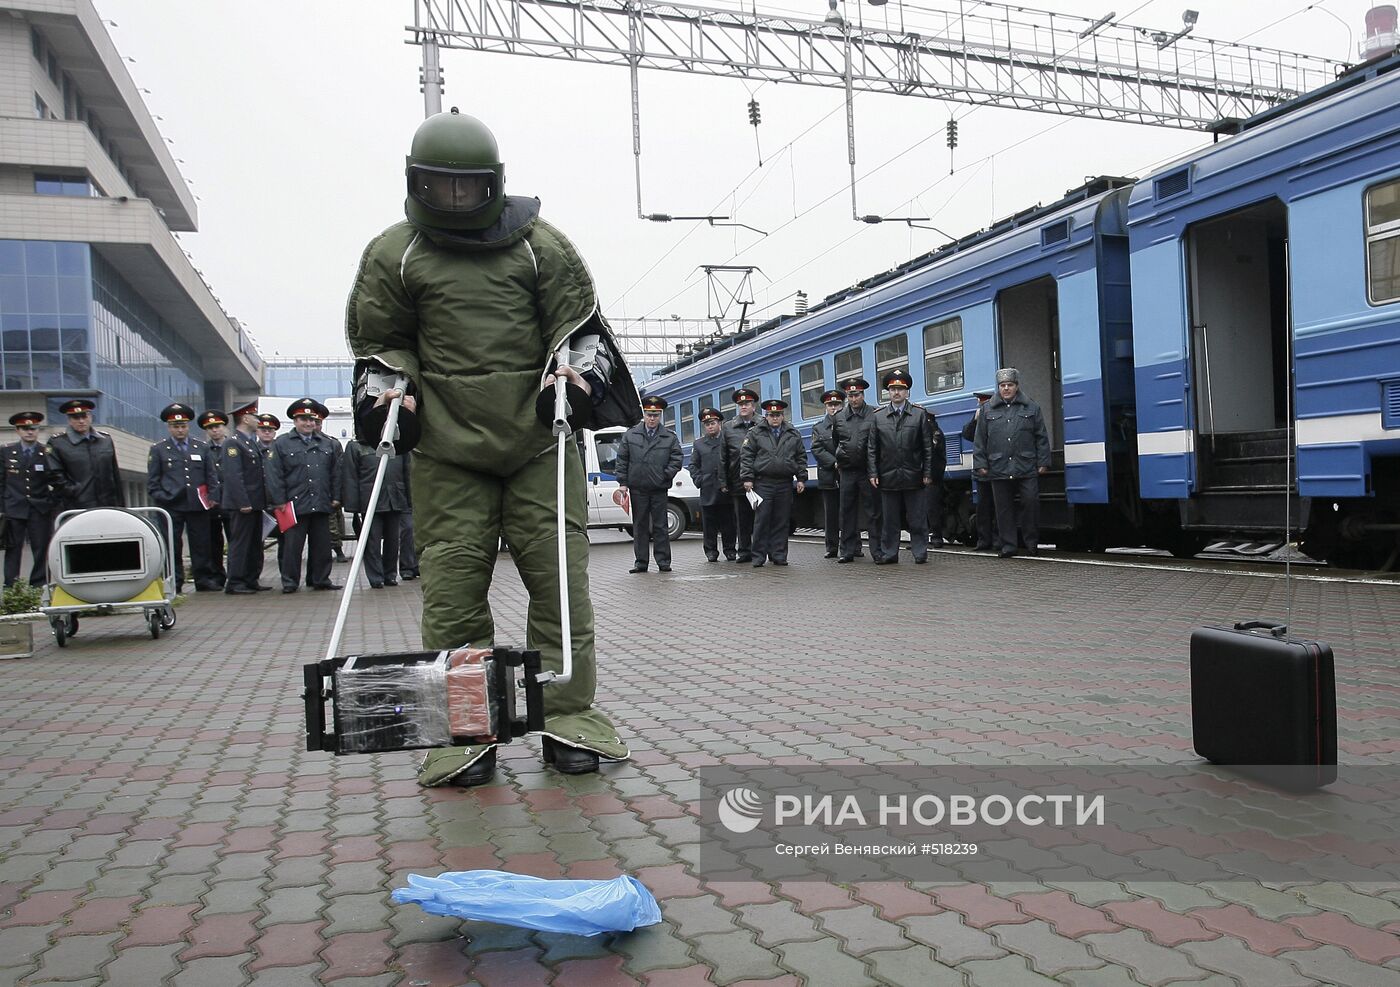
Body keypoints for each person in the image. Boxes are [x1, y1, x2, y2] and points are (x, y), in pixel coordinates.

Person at [345, 107, 640, 787]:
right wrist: (389, 388)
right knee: (451, 590)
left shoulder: (542, 246)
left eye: (466, 187)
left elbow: (578, 326)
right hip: (448, 449)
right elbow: (382, 339)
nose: (453, 199)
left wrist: (569, 375)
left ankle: (566, 714)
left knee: (558, 583)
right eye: (439, 186)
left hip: (540, 440)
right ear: (417, 183)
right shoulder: (395, 253)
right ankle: (466, 728)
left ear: (493, 184)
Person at [266, 399, 344, 593]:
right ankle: (290, 582)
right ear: (295, 420)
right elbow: (274, 474)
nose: (308, 423)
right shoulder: (282, 443)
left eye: (311, 419)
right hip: (292, 505)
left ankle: (320, 579)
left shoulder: (327, 443)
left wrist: (336, 497)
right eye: (303, 419)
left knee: (322, 547)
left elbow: (336, 473)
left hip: (320, 502)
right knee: (292, 547)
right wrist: (279, 501)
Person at [974, 367, 1051, 558]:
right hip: (998, 465)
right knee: (1003, 509)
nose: (1006, 388)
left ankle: (1031, 543)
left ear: (1017, 386)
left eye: (1010, 385)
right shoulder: (987, 410)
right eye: (1002, 385)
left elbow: (1041, 436)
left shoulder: (1031, 407)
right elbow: (980, 440)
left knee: (1031, 503)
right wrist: (981, 464)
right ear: (998, 388)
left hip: (1026, 465)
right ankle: (1008, 545)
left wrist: (1043, 461)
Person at [146, 403, 222, 592]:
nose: (180, 430)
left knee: (201, 544)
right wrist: (162, 496)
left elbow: (211, 475)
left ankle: (203, 579)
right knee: (172, 544)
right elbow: (153, 480)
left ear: (188, 426)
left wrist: (213, 496)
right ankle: (174, 581)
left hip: (197, 504)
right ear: (169, 427)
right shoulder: (159, 449)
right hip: (171, 505)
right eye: (175, 426)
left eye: (183, 426)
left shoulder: (201, 447)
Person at [868, 370, 934, 564]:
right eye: (893, 389)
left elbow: (927, 447)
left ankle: (920, 552)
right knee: (890, 520)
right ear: (888, 392)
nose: (896, 392)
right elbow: (872, 448)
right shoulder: (878, 417)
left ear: (907, 392)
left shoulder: (919, 414)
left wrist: (927, 472)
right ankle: (890, 553)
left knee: (917, 519)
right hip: (888, 476)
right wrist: (873, 472)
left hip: (914, 475)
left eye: (900, 389)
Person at [616, 395, 682, 574]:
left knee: (661, 526)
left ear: (660, 416)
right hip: (638, 488)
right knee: (640, 526)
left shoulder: (669, 437)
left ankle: (663, 561)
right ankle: (641, 562)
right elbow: (622, 460)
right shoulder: (631, 435)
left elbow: (677, 459)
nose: (652, 418)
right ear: (643, 414)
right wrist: (623, 483)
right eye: (649, 414)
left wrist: (665, 475)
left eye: (656, 415)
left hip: (659, 488)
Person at [740, 398, 807, 567]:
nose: (775, 418)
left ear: (783, 416)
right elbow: (747, 456)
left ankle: (778, 555)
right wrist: (747, 478)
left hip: (784, 483)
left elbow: (800, 457)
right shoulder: (755, 433)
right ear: (766, 416)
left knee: (781, 520)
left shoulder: (793, 433)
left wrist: (801, 478)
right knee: (762, 520)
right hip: (764, 483)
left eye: (778, 415)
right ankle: (758, 556)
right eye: (771, 415)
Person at [341, 437, 410, 588]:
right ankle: (376, 577)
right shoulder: (357, 446)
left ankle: (390, 575)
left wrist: (409, 500)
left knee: (393, 540)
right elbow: (351, 476)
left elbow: (407, 472)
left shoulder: (398, 444)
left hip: (395, 498)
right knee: (372, 542)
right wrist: (353, 506)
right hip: (370, 500)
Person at [220, 406, 271, 593]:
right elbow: (234, 476)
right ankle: (235, 582)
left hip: (256, 503)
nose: (259, 420)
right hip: (243, 504)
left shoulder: (250, 442)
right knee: (241, 544)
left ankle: (251, 579)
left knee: (254, 544)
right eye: (255, 417)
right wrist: (243, 502)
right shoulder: (233, 443)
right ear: (245, 419)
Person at [1, 411, 54, 587]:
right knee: (13, 550)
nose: (29, 432)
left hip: (39, 509)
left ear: (38, 429)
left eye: (33, 428)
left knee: (41, 550)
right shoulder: (6, 451)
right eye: (25, 428)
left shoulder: (46, 452)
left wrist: (51, 502)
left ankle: (38, 586)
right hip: (14, 509)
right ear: (17, 430)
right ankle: (11, 587)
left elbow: (55, 480)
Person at [833, 378, 882, 563]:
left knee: (873, 512)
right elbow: (835, 441)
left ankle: (877, 551)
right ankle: (847, 550)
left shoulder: (874, 414)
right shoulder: (839, 417)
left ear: (863, 395)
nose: (854, 399)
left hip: (867, 471)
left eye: (857, 395)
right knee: (846, 512)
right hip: (847, 471)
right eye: (851, 395)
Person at [47, 399, 123, 511]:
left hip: (107, 504)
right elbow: (54, 475)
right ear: (69, 420)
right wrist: (74, 491)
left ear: (90, 417)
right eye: (76, 418)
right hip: (76, 506)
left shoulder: (105, 440)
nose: (81, 421)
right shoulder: (57, 443)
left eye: (84, 416)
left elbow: (114, 474)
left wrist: (120, 505)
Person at [687, 406, 735, 562]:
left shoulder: (727, 440)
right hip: (707, 488)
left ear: (719, 423)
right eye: (707, 424)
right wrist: (699, 480)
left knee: (728, 522)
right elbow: (693, 465)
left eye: (713, 422)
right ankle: (711, 551)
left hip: (725, 488)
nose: (710, 426)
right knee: (709, 525)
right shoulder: (699, 444)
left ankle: (730, 550)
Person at [722, 388, 762, 563]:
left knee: (761, 518)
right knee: (742, 519)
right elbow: (723, 456)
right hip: (738, 479)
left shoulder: (763, 424)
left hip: (761, 478)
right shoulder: (728, 428)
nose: (743, 407)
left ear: (753, 406)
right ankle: (744, 551)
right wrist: (723, 481)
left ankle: (761, 550)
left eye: (746, 404)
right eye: (741, 404)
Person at [312, 403, 352, 564]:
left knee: (333, 525)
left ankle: (338, 549)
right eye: (312, 422)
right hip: (308, 494)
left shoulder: (332, 443)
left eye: (318, 422)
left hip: (328, 492)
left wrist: (338, 495)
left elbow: (339, 471)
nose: (314, 425)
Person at [961, 389, 997, 551]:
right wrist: (975, 420)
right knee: (983, 508)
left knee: (998, 508)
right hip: (982, 469)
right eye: (980, 405)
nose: (981, 407)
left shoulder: (997, 418)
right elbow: (967, 435)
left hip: (997, 469)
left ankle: (997, 540)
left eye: (983, 404)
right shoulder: (978, 418)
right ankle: (984, 540)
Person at [198, 410, 231, 589]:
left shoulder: (233, 446)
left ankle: (235, 575)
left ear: (224, 427)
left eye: (217, 426)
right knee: (213, 544)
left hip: (231, 502)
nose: (214, 431)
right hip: (212, 503)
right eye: (210, 428)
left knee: (235, 541)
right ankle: (217, 576)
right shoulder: (203, 449)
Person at [810, 389, 844, 559]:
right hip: (828, 475)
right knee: (830, 514)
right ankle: (831, 547)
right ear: (825, 407)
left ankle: (853, 546)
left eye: (837, 404)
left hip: (846, 474)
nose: (834, 408)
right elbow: (816, 449)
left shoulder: (848, 423)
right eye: (830, 405)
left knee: (848, 512)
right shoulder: (819, 428)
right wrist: (834, 462)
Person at [926, 405, 947, 550]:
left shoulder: (934, 434)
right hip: (930, 477)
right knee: (926, 509)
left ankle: (936, 537)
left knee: (931, 509)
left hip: (931, 478)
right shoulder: (936, 432)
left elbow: (935, 458)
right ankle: (931, 537)